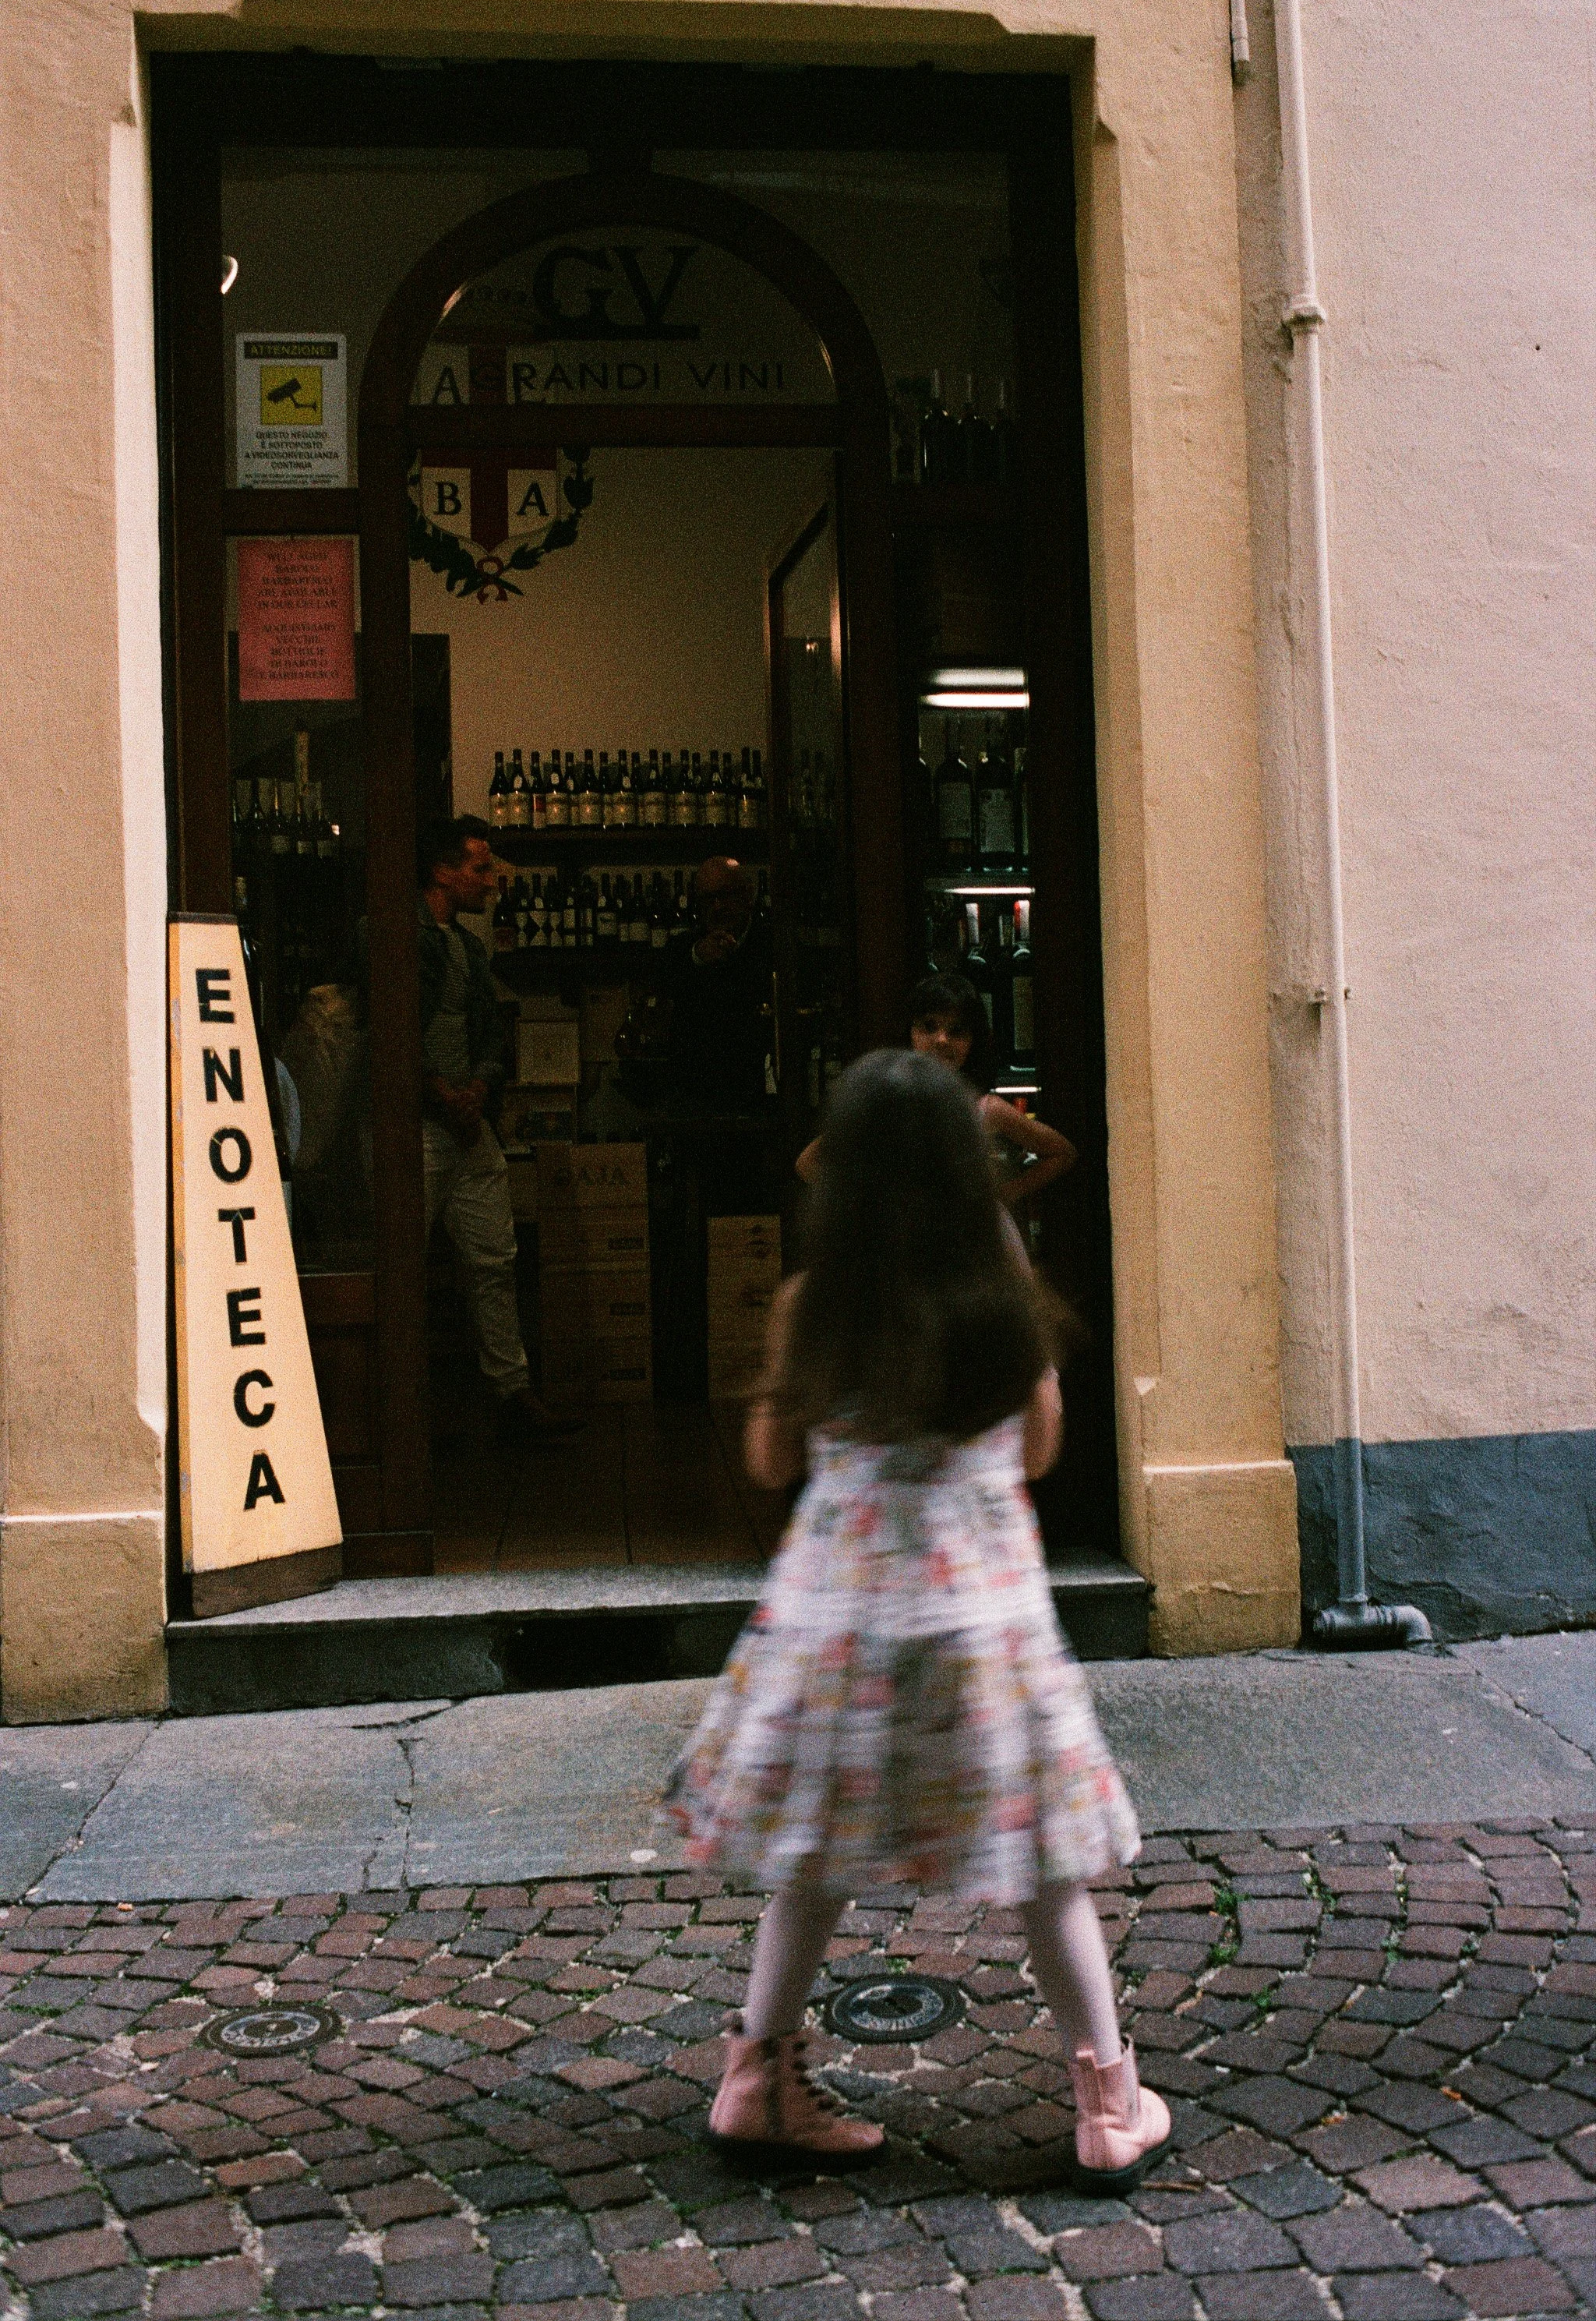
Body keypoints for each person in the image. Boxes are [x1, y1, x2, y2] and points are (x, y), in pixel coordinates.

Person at [667, 1048, 1167, 2187]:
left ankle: (756, 2082)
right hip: (980, 1627)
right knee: (1047, 1865)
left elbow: (766, 1459)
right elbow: (1039, 1449)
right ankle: (1108, 2105)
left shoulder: (813, 1304)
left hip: (839, 1628)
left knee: (814, 1857)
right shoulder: (1002, 1305)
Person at [417, 814, 577, 1440]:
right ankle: (406, 1405)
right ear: (444, 870)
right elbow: (389, 1026)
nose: (492, 881)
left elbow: (488, 1030)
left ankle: (510, 1391)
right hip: (417, 1121)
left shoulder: (467, 946)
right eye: (481, 868)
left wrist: (478, 1088)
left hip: (463, 1120)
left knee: (495, 1255)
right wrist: (441, 1091)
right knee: (406, 1263)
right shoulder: (392, 934)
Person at [797, 971, 1075, 1209]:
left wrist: (1004, 1195)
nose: (942, 1040)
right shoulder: (885, 1105)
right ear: (910, 1032)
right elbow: (808, 1163)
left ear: (973, 1042)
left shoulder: (985, 1110)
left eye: (957, 1031)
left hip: (970, 1248)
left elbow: (1062, 1153)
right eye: (929, 1027)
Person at [662, 856, 773, 1115]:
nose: (718, 907)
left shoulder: (772, 946)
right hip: (698, 1102)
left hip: (758, 1096)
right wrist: (699, 957)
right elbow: (665, 984)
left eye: (726, 896)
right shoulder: (684, 949)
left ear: (747, 897)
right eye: (708, 900)